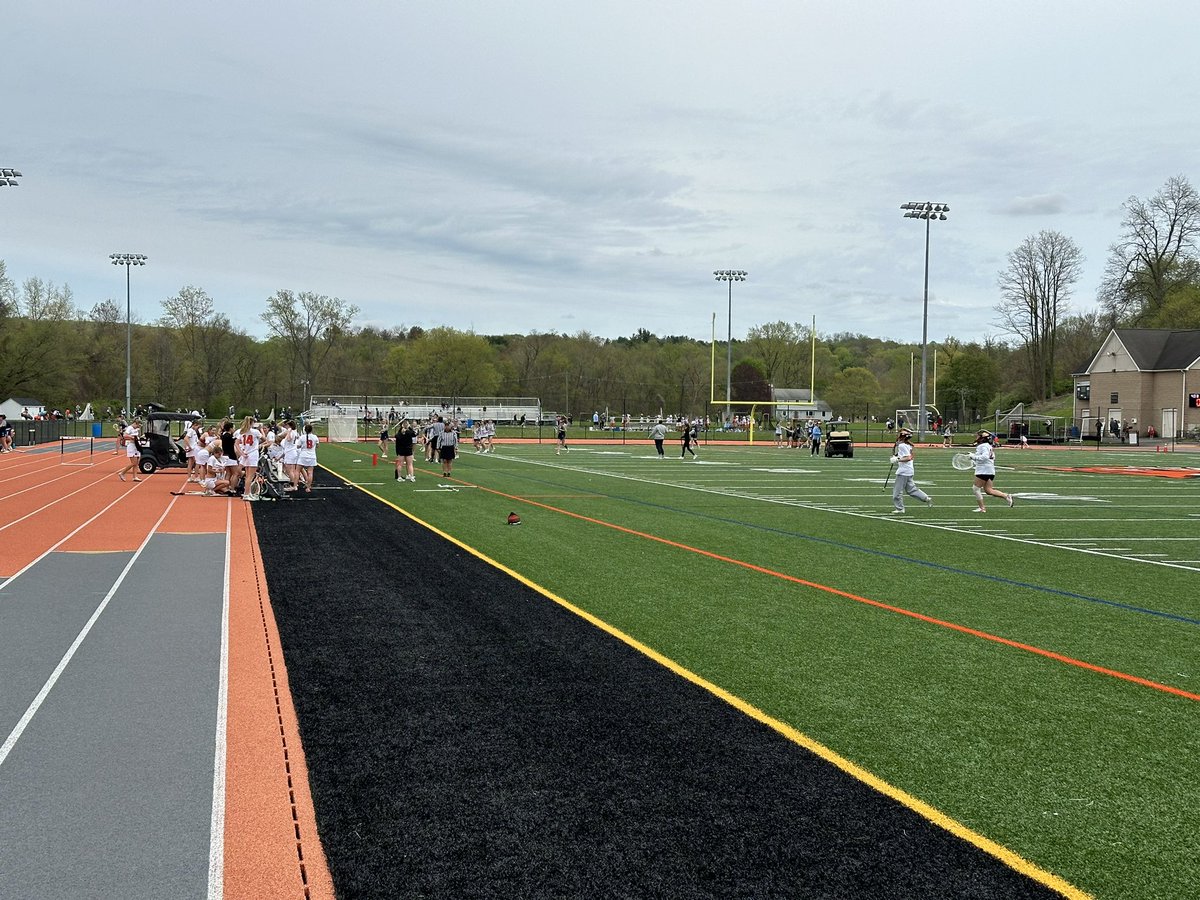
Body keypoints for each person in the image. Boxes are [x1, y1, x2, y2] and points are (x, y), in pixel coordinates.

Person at [969, 430, 1014, 513]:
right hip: (990, 470)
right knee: (989, 490)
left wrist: (974, 457)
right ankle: (1006, 496)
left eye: (979, 436)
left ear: (982, 438)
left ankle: (982, 508)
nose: (977, 437)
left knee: (975, 488)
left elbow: (985, 457)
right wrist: (975, 459)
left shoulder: (982, 446)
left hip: (984, 470)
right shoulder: (988, 446)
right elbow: (991, 457)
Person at [890, 427, 932, 514]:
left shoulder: (902, 446)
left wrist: (897, 460)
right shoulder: (907, 445)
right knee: (911, 490)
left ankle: (900, 509)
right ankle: (926, 498)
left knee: (897, 492)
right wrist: (897, 457)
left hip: (903, 472)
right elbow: (909, 456)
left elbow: (908, 457)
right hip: (909, 471)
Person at [236, 416, 262, 501]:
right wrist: (261, 429)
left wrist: (241, 453)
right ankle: (246, 494)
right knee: (250, 476)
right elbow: (264, 438)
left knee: (247, 475)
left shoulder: (241, 431)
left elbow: (236, 444)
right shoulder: (255, 431)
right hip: (253, 454)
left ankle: (248, 492)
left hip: (246, 453)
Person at [117, 416, 143, 482]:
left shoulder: (136, 429)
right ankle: (122, 473)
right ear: (135, 423)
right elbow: (125, 435)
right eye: (138, 425)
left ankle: (135, 477)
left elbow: (137, 435)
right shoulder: (130, 428)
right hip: (131, 446)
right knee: (133, 463)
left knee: (137, 462)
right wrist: (131, 437)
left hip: (136, 446)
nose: (138, 427)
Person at [296, 423, 318, 493]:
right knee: (310, 472)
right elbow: (317, 446)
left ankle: (295, 485)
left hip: (303, 455)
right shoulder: (315, 437)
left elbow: (298, 446)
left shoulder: (302, 437)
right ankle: (308, 487)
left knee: (297, 471)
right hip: (312, 456)